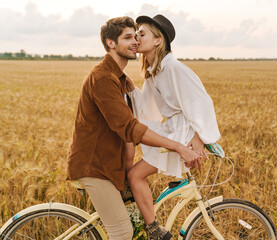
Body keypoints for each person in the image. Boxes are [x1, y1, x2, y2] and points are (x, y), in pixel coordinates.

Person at [66, 16, 201, 240]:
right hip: (95, 168)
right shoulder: (103, 78)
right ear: (111, 43)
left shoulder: (119, 78)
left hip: (109, 166)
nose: (135, 42)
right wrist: (177, 146)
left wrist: (196, 133)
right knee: (122, 231)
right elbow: (129, 128)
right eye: (128, 37)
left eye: (136, 36)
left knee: (127, 224)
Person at [126, 14, 221, 240]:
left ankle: (153, 229)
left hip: (182, 132)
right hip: (172, 129)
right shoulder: (154, 71)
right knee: (132, 168)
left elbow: (203, 101)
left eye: (142, 33)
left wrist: (200, 137)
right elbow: (147, 106)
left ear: (158, 40)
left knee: (135, 175)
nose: (137, 38)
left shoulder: (174, 68)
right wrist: (130, 88)